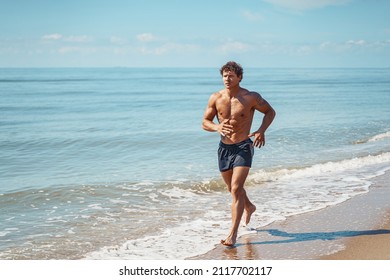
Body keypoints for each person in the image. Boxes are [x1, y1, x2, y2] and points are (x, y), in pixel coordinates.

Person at [202, 61, 276, 246]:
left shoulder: (250, 97)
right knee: (232, 189)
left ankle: (232, 235)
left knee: (236, 189)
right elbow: (205, 122)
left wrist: (261, 130)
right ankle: (249, 206)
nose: (227, 79)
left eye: (231, 76)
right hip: (224, 148)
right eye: (225, 76)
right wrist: (217, 126)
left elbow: (270, 112)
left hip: (243, 146)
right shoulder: (216, 98)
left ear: (239, 77)